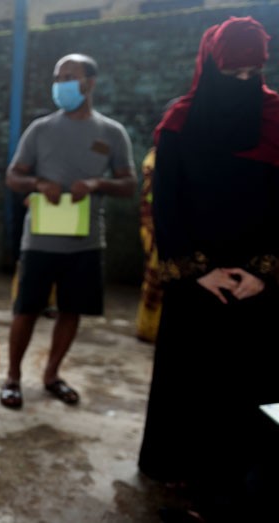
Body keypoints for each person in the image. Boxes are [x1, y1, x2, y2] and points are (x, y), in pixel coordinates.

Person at [137, 17, 279, 522]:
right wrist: (199, 270)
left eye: (252, 75)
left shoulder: (277, 116)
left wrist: (263, 270)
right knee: (190, 378)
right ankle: (181, 467)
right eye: (232, 74)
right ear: (212, 67)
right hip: (194, 279)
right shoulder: (180, 121)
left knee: (251, 382)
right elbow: (166, 202)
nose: (243, 86)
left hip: (259, 283)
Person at [1, 53, 135, 409]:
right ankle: (12, 377)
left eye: (69, 77)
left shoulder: (111, 133)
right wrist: (38, 183)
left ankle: (51, 375)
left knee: (71, 310)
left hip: (86, 241)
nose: (60, 84)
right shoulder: (41, 129)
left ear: (89, 83)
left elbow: (129, 183)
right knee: (25, 310)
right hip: (40, 239)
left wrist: (95, 183)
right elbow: (13, 177)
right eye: (58, 77)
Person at [135, 147, 162, 343]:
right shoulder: (157, 154)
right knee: (155, 276)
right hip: (157, 224)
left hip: (165, 223)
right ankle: (148, 328)